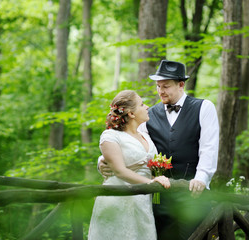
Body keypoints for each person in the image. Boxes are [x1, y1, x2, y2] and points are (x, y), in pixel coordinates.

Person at [99, 60, 219, 240]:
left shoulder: (204, 107)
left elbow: (209, 147)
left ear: (181, 85)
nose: (160, 91)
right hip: (161, 198)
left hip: (194, 193)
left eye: (166, 86)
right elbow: (129, 143)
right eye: (158, 86)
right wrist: (102, 160)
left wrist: (202, 178)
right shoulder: (148, 115)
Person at [88, 90, 170, 240]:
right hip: (117, 199)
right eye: (142, 104)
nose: (147, 107)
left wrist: (156, 176)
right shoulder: (110, 136)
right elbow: (119, 171)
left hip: (142, 201)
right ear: (131, 114)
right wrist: (152, 183)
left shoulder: (145, 136)